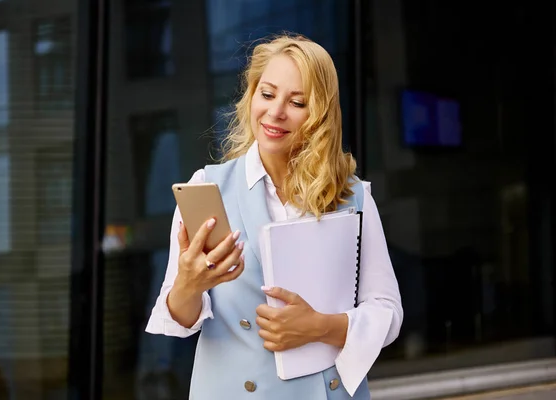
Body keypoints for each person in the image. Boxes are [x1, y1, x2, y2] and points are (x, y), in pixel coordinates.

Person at [146, 34, 403, 399]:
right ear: (251, 96)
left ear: (320, 114)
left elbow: (387, 312)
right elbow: (180, 320)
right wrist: (189, 283)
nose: (275, 112)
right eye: (266, 95)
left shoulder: (354, 196)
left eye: (297, 102)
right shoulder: (207, 188)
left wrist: (319, 327)